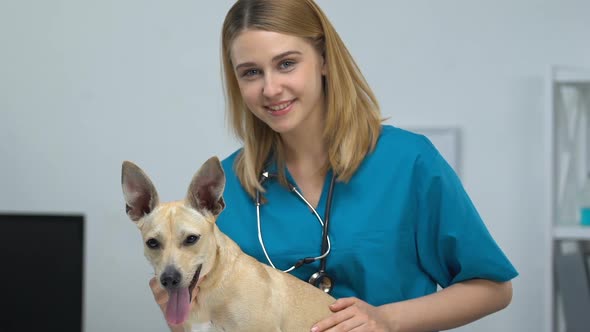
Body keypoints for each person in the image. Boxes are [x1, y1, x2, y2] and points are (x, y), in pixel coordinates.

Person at [150, 0, 518, 331]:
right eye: (251, 72)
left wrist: (387, 319)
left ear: (324, 59)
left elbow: (493, 288)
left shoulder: (409, 162)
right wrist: (180, 315)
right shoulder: (223, 187)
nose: (271, 88)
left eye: (287, 64)